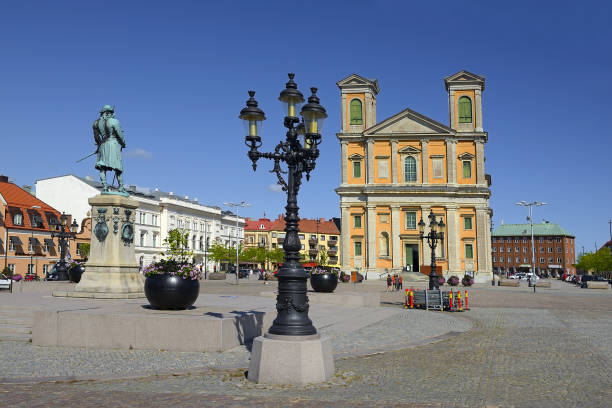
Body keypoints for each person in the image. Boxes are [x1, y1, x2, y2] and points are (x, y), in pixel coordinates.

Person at [92, 105, 127, 193]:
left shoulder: (96, 123)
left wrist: (99, 146)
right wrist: (123, 144)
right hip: (113, 144)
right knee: (118, 168)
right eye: (112, 112)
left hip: (103, 145)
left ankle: (104, 186)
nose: (113, 114)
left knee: (102, 168)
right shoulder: (114, 121)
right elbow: (120, 134)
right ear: (109, 112)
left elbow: (96, 138)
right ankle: (121, 187)